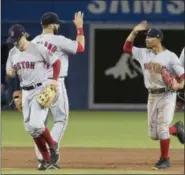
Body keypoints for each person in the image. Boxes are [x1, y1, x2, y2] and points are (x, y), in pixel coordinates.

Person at [123, 21, 185, 170]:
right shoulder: (143, 53)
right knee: (154, 134)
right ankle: (176, 129)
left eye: (150, 37)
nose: (146, 39)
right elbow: (126, 48)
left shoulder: (170, 57)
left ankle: (165, 160)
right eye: (146, 37)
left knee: (162, 128)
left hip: (167, 95)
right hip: (152, 96)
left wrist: (179, 85)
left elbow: (182, 77)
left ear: (158, 39)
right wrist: (134, 31)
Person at [31, 11, 85, 167]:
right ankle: (50, 151)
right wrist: (80, 27)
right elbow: (80, 47)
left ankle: (42, 159)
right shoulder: (58, 39)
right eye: (57, 24)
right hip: (54, 83)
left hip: (36, 84)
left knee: (39, 124)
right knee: (61, 119)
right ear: (53, 25)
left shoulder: (33, 42)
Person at [6, 24, 61, 170]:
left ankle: (53, 145)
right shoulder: (13, 53)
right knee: (30, 129)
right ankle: (46, 160)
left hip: (40, 89)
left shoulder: (38, 48)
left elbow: (56, 62)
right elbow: (9, 73)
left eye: (17, 38)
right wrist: (10, 73)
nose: (15, 42)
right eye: (13, 39)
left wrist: (55, 80)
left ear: (24, 35)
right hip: (25, 92)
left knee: (36, 125)